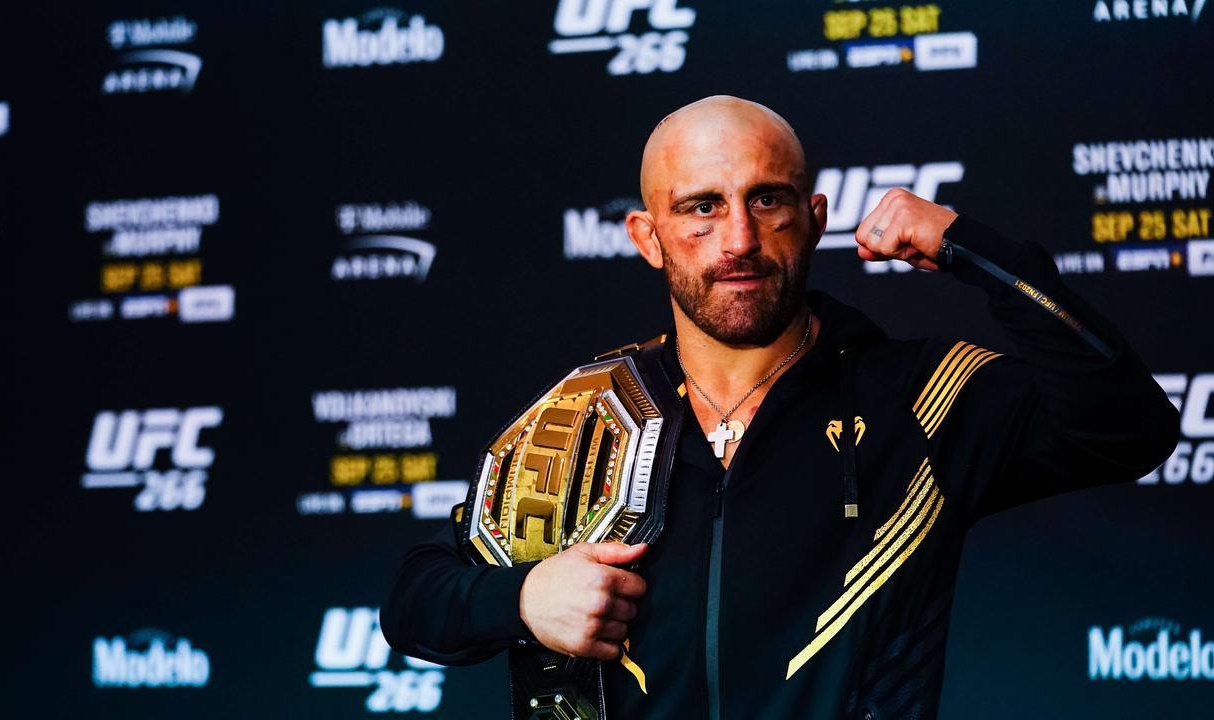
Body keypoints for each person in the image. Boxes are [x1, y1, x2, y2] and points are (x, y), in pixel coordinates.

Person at [380, 95, 1178, 718]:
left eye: (768, 200)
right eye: (700, 207)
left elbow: (1128, 423)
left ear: (815, 217)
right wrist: (520, 600)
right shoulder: (584, 419)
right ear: (647, 237)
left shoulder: (924, 399)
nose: (739, 240)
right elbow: (415, 600)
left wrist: (971, 250)